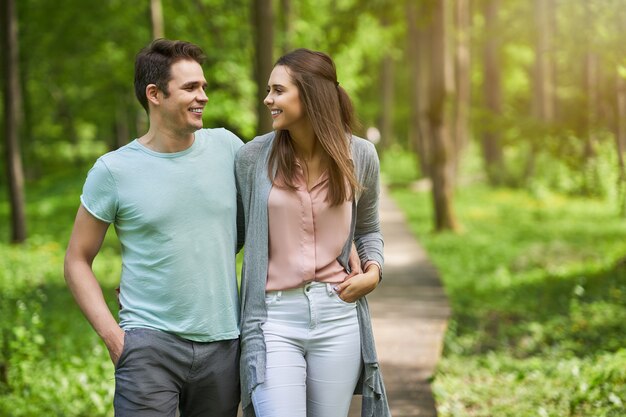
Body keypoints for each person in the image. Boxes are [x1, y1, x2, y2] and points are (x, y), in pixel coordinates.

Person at [64, 39, 243, 417]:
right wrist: (116, 339)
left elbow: (269, 214)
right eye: (191, 87)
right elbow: (77, 259)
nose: (203, 96)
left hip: (224, 345)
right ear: (154, 94)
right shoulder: (114, 170)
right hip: (149, 347)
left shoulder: (228, 148)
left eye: (204, 86)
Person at [235, 48, 391, 417]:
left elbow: (368, 228)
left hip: (337, 314)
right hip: (272, 318)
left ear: (309, 94)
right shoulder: (252, 158)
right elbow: (227, 238)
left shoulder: (361, 155)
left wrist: (374, 273)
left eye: (277, 90)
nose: (267, 99)